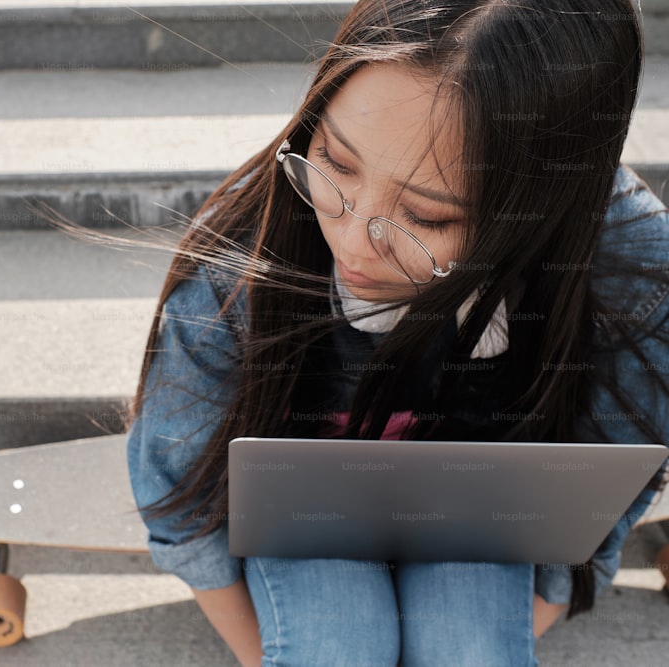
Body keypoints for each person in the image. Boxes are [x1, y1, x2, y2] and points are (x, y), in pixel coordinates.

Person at [122, 0, 669, 665]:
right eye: (336, 163)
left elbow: (601, 491)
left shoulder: (629, 276)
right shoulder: (243, 254)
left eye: (425, 215)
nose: (353, 243)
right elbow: (179, 494)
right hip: (299, 508)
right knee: (336, 648)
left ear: (542, 211)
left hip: (485, 509)